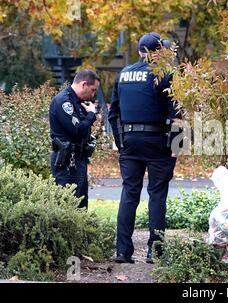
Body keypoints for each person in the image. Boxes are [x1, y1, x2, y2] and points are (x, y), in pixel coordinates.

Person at [108, 32, 182, 264]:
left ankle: (122, 251)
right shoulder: (166, 75)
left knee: (129, 193)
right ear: (159, 52)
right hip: (157, 142)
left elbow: (113, 113)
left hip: (129, 141)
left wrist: (121, 144)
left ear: (141, 51)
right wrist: (177, 147)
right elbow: (177, 115)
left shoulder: (123, 74)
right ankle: (155, 252)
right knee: (157, 195)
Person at [49, 69, 100, 209]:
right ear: (84, 84)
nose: (93, 94)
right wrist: (91, 115)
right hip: (66, 161)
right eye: (93, 89)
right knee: (68, 205)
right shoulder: (63, 101)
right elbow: (77, 130)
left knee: (81, 205)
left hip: (78, 158)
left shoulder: (78, 102)